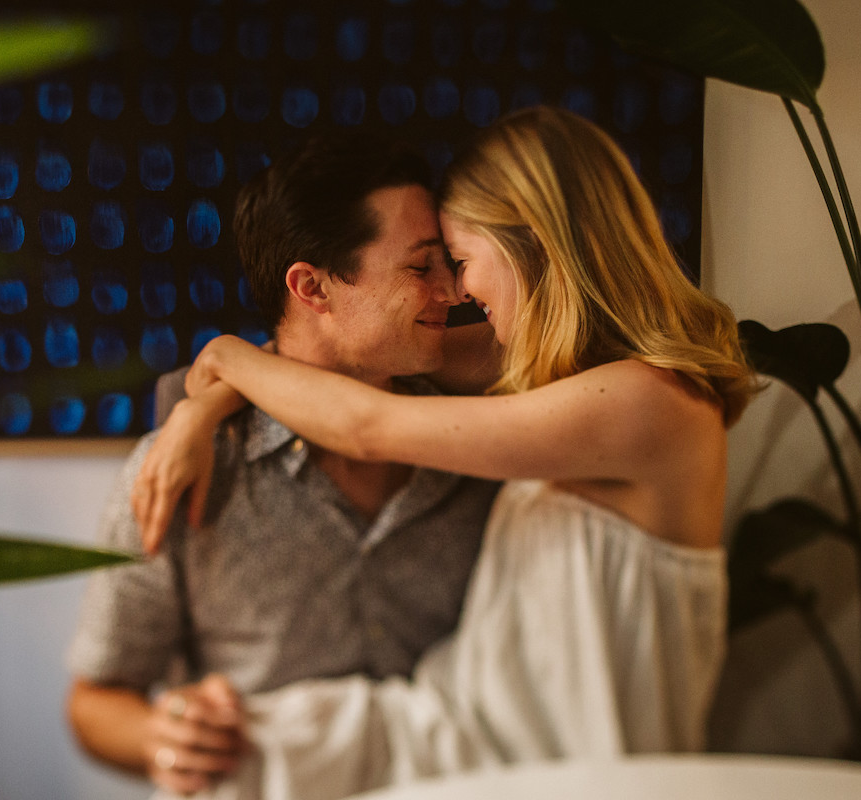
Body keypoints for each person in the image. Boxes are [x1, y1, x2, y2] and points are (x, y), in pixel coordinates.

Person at [135, 105, 757, 800]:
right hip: (461, 724)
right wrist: (202, 410)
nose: (458, 292)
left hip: (571, 769)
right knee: (244, 754)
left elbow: (367, 424)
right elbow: (338, 371)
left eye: (460, 262)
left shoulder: (649, 406)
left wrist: (222, 354)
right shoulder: (540, 362)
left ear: (533, 243)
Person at [65, 131, 502, 797]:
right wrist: (165, 736)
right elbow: (95, 699)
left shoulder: (478, 430)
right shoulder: (186, 470)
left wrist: (212, 390)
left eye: (449, 263)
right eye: (420, 268)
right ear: (313, 287)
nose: (453, 289)